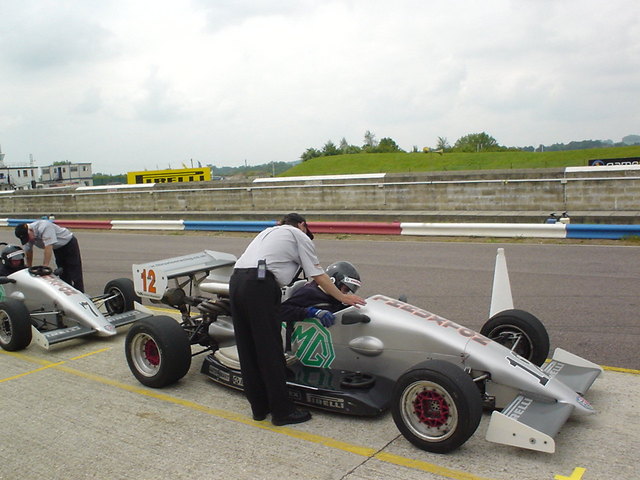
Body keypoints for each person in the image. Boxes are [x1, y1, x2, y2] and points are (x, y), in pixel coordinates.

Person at [229, 213, 366, 426]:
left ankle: (259, 408)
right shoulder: (298, 234)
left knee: (248, 348)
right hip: (260, 284)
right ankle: (282, 412)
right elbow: (318, 275)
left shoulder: (267, 233)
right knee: (270, 350)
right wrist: (343, 297)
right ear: (302, 224)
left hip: (236, 281)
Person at [279, 261, 362, 328]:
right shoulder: (309, 292)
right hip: (305, 341)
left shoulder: (333, 298)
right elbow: (281, 311)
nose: (345, 294)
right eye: (346, 289)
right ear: (333, 281)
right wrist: (313, 312)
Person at [14, 220, 85, 292]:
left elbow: (48, 247)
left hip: (68, 243)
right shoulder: (27, 237)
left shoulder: (44, 226)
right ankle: (68, 294)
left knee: (74, 271)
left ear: (30, 230)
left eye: (28, 237)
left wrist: (45, 266)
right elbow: (28, 251)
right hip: (57, 248)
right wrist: (29, 267)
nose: (28, 239)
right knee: (63, 273)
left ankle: (81, 293)